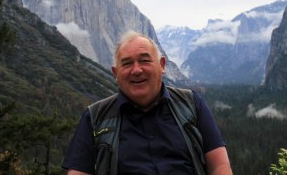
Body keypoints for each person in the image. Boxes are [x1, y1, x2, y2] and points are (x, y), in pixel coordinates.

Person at [62, 31, 233, 175]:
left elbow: (220, 165)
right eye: (127, 63)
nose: (136, 70)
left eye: (144, 60)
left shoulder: (191, 104)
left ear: (162, 65)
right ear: (116, 73)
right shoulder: (94, 118)